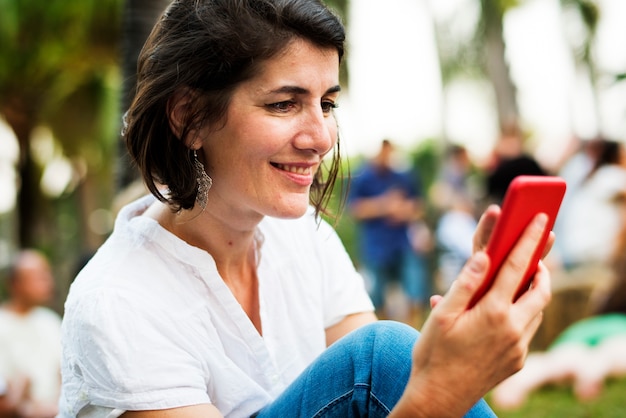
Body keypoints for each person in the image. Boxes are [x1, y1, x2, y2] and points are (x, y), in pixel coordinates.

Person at [58, 1, 552, 417]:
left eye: (328, 104)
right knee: (384, 355)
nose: (321, 138)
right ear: (189, 118)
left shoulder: (305, 238)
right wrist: (443, 391)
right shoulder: (119, 301)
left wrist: (462, 342)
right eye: (283, 104)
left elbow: (384, 397)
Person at [491, 190, 626, 408]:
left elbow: (600, 301)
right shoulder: (615, 262)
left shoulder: (615, 264)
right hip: (616, 330)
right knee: (613, 351)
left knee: (560, 356)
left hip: (587, 329)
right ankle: (593, 369)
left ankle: (521, 381)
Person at [348, 139, 430, 324]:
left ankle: (415, 327)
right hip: (375, 245)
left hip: (402, 241)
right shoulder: (363, 176)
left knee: (414, 284)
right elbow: (355, 210)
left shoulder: (403, 175)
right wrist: (384, 206)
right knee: (377, 293)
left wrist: (406, 211)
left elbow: (419, 206)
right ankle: (381, 327)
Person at [0, 250, 61, 418]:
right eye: (39, 277)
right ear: (14, 283)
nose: (48, 282)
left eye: (47, 275)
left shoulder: (51, 321)